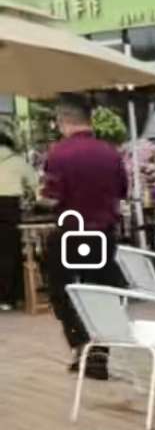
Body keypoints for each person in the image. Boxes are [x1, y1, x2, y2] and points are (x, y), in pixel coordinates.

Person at [41, 95, 128, 379]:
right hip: (103, 232)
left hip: (71, 232)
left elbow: (52, 197)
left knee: (62, 290)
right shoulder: (111, 153)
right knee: (101, 291)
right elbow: (122, 191)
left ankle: (81, 343)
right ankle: (100, 350)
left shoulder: (59, 154)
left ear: (63, 120)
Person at [0, 130, 37, 311]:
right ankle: (9, 297)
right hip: (9, 208)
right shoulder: (17, 161)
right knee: (9, 251)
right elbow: (34, 184)